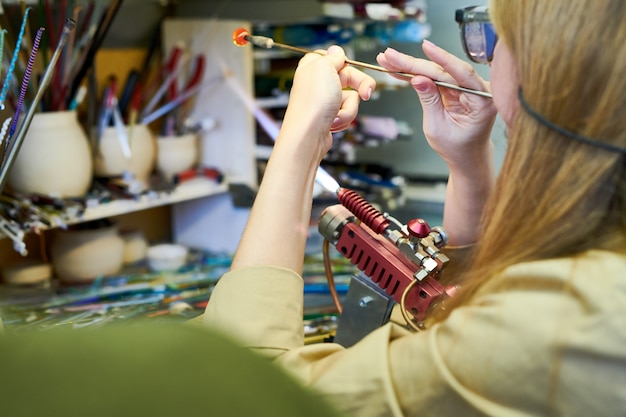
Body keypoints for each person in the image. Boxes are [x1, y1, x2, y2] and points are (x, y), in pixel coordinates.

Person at [202, 0, 626, 416]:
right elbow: (466, 303)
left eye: (498, 37)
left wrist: (299, 137)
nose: (488, 58)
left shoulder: (560, 320)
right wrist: (467, 164)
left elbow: (241, 390)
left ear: (554, 68)